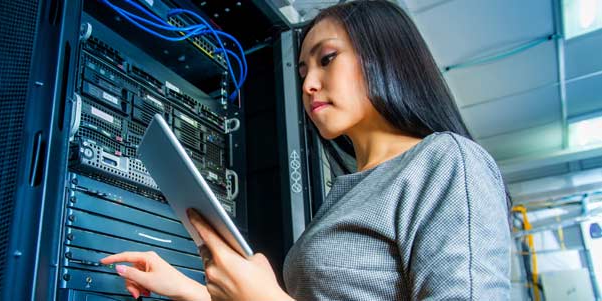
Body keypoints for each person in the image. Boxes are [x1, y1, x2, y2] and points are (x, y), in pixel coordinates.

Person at [101, 1, 511, 300]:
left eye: (327, 59)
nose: (308, 84)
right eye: (302, 72)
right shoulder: (347, 192)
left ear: (386, 58)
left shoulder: (446, 162)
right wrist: (191, 291)